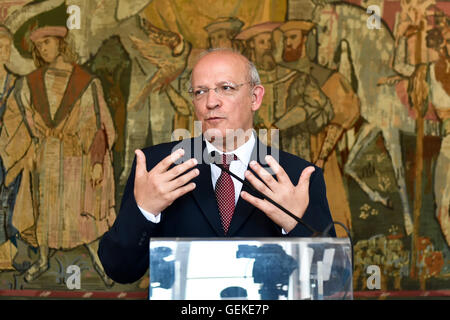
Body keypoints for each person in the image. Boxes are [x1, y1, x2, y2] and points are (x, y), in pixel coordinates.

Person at [98, 49, 336, 284]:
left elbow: (330, 277)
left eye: (226, 88)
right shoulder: (158, 168)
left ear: (255, 98)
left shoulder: (297, 176)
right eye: (200, 92)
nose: (211, 102)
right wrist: (144, 211)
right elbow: (119, 269)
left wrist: (294, 226)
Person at [0, 25, 116, 284]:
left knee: (82, 214)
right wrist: (27, 151)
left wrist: (97, 162)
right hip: (47, 157)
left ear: (61, 44)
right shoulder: (31, 82)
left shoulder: (85, 82)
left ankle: (100, 264)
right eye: (39, 45)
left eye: (48, 43)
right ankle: (42, 261)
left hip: (78, 158)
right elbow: (21, 119)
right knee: (46, 213)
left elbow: (98, 126)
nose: (43, 49)